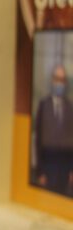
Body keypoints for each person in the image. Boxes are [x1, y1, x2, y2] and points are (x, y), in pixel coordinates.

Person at [33, 64, 73, 196]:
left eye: (62, 80)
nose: (59, 83)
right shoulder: (43, 105)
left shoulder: (70, 107)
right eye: (57, 79)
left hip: (65, 168)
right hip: (47, 166)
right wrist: (39, 171)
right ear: (52, 80)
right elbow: (38, 140)